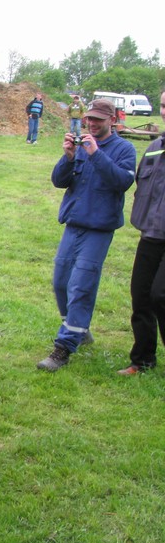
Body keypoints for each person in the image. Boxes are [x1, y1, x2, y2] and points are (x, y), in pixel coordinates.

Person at [37, 99, 136, 372]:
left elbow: (123, 182)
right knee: (61, 283)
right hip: (74, 225)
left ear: (112, 120)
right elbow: (59, 181)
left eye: (98, 120)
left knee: (81, 286)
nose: (91, 124)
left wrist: (96, 154)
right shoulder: (81, 144)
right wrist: (68, 156)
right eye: (89, 119)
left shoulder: (124, 149)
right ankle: (79, 329)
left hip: (99, 228)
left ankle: (63, 348)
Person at [117, 90, 165, 376]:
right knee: (142, 295)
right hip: (152, 233)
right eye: (162, 105)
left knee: (162, 294)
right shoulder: (155, 147)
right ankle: (142, 359)